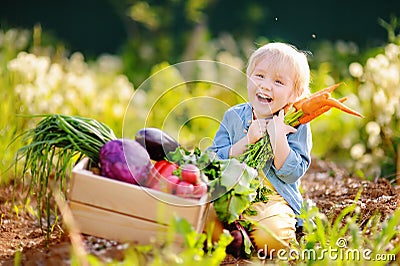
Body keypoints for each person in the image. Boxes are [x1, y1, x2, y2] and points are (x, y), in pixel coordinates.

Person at [206, 42, 313, 257]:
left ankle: (247, 233)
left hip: (271, 199)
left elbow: (292, 173)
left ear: (295, 93)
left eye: (278, 81)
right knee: (203, 223)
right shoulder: (234, 116)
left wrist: (278, 138)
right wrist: (247, 140)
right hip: (231, 193)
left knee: (272, 240)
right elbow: (213, 160)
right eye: (259, 76)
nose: (265, 85)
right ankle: (239, 233)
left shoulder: (298, 123)